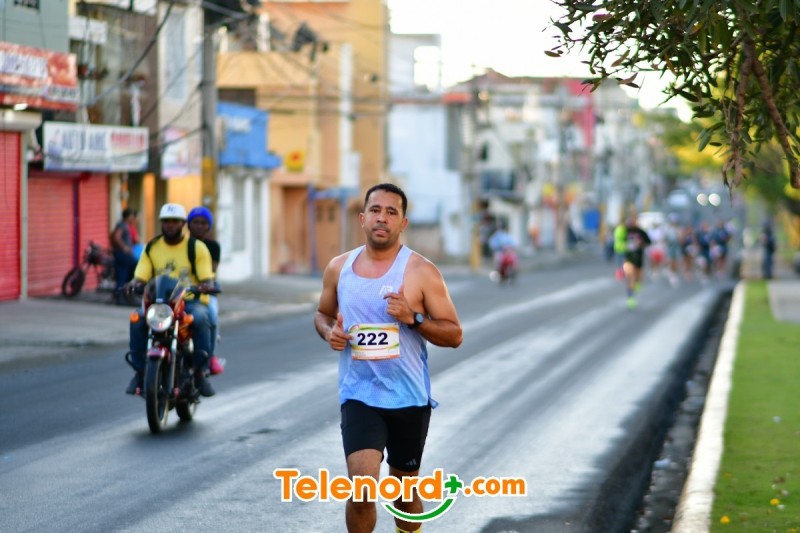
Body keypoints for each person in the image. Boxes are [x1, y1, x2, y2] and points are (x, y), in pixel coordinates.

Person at [314, 183, 463, 533]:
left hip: (408, 397)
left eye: (391, 212)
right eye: (376, 210)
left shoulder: (421, 271)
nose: (382, 218)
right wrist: (329, 332)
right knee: (362, 490)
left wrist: (414, 318)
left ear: (403, 223)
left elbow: (454, 334)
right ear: (362, 218)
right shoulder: (338, 268)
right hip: (359, 395)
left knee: (403, 494)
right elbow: (322, 314)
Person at [124, 203, 217, 397]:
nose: (170, 225)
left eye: (175, 221)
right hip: (160, 303)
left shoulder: (197, 247)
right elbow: (141, 275)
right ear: (161, 223)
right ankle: (140, 373)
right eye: (166, 221)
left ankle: (200, 373)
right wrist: (134, 284)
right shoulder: (152, 247)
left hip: (189, 301)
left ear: (183, 224)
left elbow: (207, 277)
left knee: (201, 318)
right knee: (137, 319)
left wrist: (206, 284)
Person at [187, 206, 224, 375]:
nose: (199, 226)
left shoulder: (213, 246)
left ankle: (211, 355)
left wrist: (204, 284)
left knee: (212, 316)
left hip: (203, 292)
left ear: (209, 226)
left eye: (203, 223)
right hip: (179, 292)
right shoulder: (181, 244)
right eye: (195, 222)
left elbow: (212, 271)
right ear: (188, 224)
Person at [619, 212, 651, 309]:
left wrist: (640, 244)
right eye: (631, 220)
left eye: (634, 220)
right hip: (628, 258)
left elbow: (648, 242)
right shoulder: (625, 231)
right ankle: (630, 298)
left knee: (638, 278)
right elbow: (619, 242)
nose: (632, 222)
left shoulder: (641, 232)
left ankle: (635, 286)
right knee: (630, 277)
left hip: (638, 258)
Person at [110, 208, 139, 302]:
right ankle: (120, 296)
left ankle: (124, 295)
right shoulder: (122, 225)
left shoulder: (126, 225)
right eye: (131, 216)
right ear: (128, 216)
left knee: (125, 274)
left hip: (123, 255)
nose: (133, 218)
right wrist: (124, 247)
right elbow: (116, 237)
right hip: (122, 255)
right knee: (122, 275)